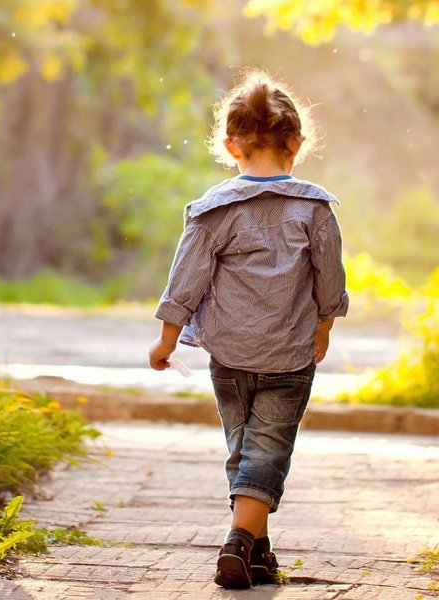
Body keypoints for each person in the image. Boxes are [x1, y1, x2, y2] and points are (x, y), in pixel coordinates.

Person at [148, 69, 348, 589]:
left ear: (232, 145)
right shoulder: (314, 209)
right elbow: (330, 278)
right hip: (290, 356)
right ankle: (239, 545)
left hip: (230, 356)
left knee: (245, 449)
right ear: (296, 144)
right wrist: (324, 324)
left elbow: (184, 281)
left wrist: (167, 340)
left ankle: (257, 554)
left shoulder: (215, 210)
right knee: (267, 449)